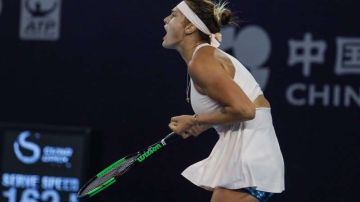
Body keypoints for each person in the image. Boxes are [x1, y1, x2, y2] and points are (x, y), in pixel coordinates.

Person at [163, 0, 285, 202]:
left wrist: (195, 120)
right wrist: (201, 124)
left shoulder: (202, 61)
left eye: (173, 15)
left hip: (247, 157)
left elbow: (246, 110)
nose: (165, 20)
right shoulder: (202, 57)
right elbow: (244, 108)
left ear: (190, 27)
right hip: (251, 154)